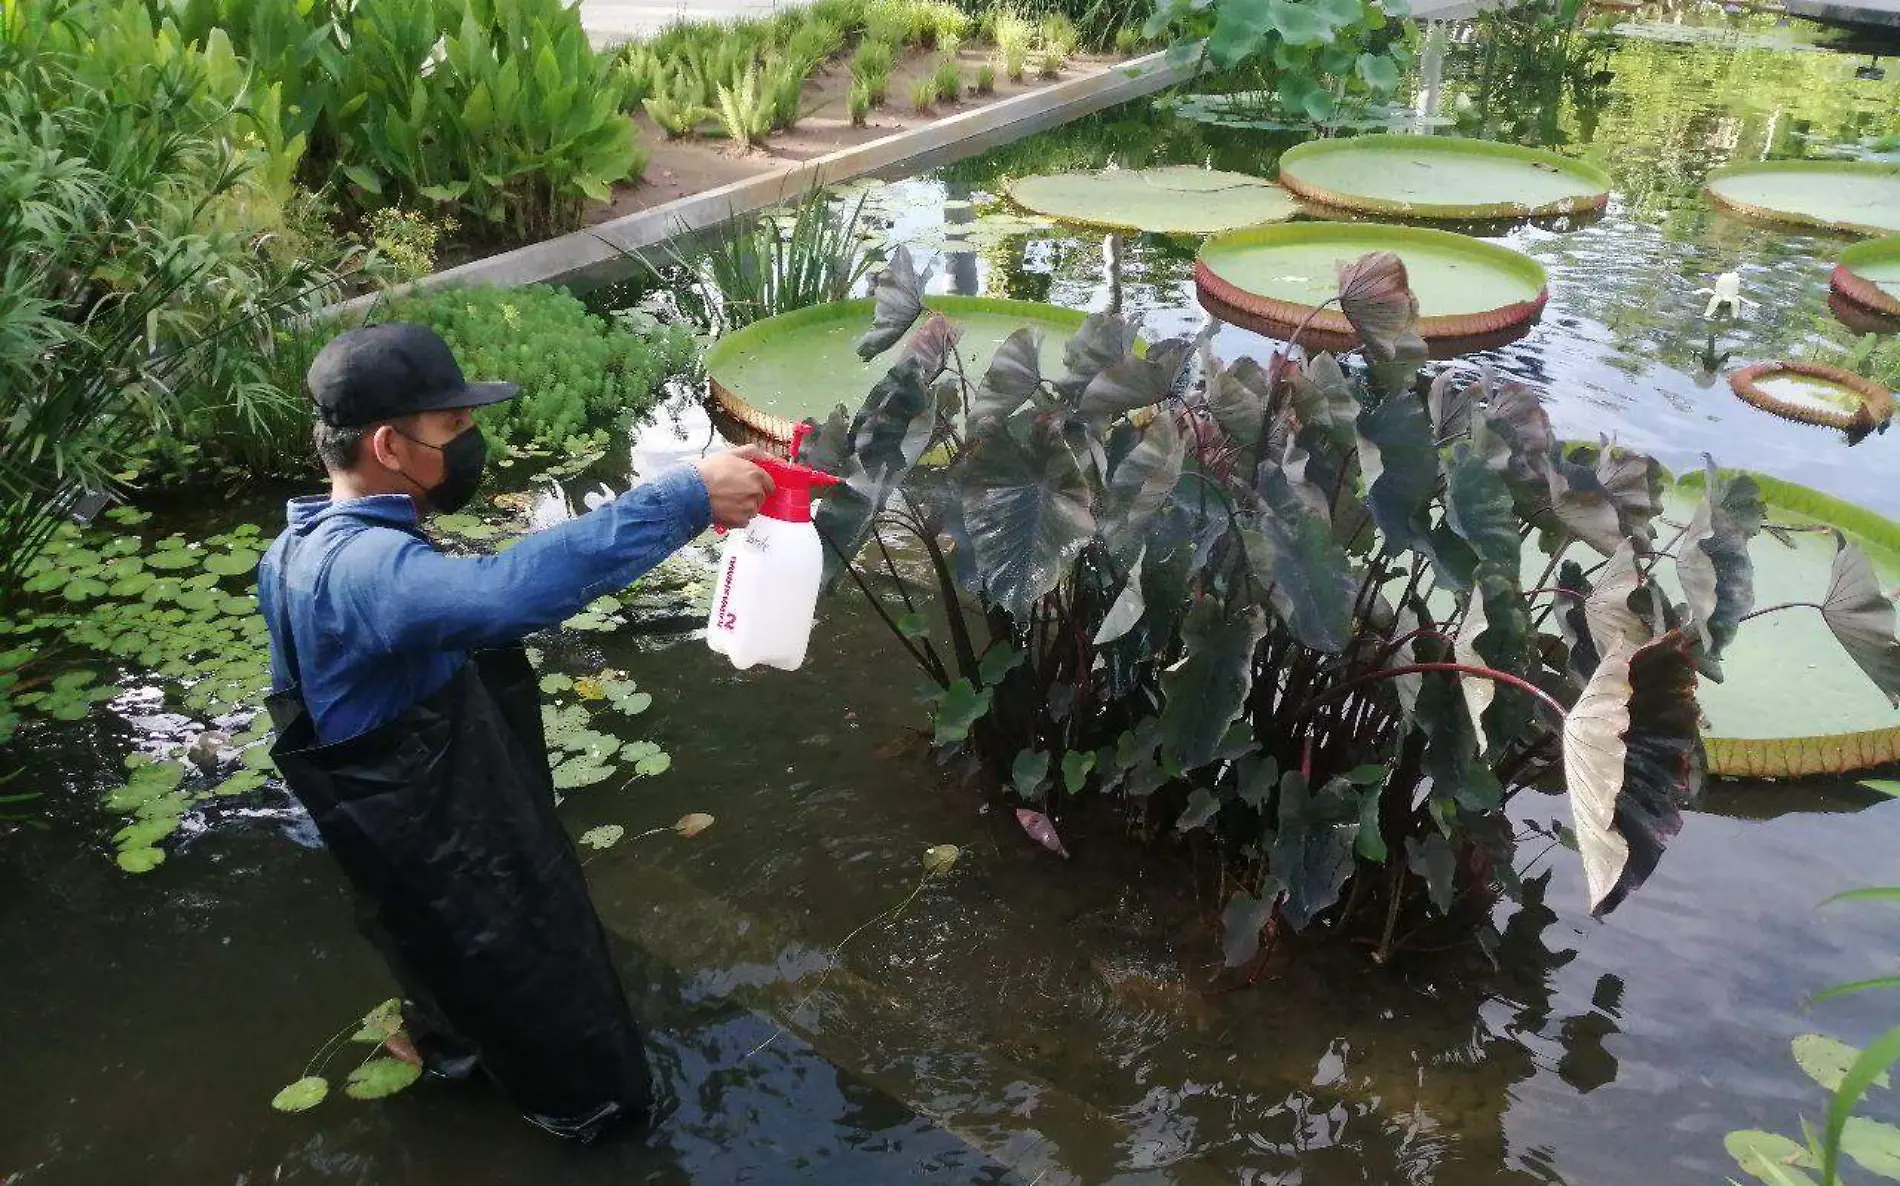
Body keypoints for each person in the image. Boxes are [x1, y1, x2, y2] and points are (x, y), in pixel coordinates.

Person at [256, 322, 773, 1141]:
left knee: (451, 990)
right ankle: (593, 1127)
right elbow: (497, 598)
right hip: (463, 869)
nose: (472, 444)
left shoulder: (300, 545)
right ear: (390, 445)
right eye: (453, 429)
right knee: (582, 1068)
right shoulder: (364, 571)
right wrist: (686, 496)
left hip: (401, 855)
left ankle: (456, 1062)